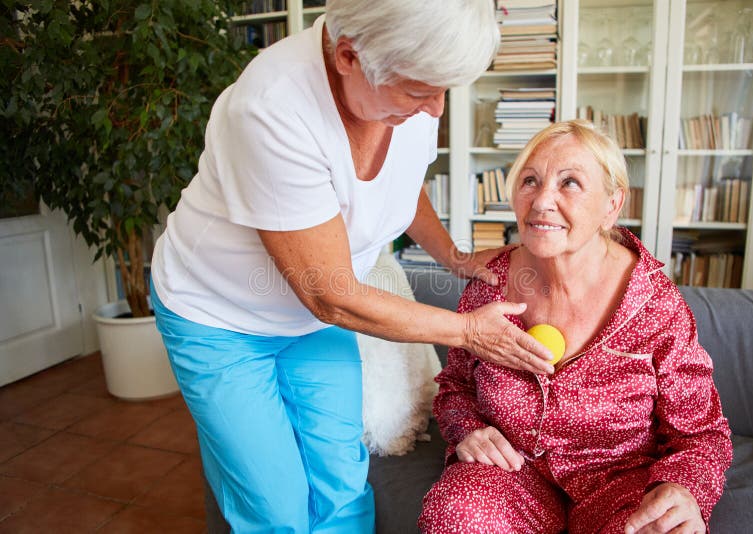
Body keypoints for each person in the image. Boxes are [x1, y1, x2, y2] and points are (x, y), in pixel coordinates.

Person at [149, 1, 556, 532]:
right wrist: (469, 333)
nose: (436, 109)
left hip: (314, 321)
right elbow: (331, 293)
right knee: (275, 508)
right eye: (420, 92)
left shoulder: (404, 94)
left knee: (340, 479)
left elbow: (403, 187)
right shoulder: (272, 107)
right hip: (219, 318)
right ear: (348, 56)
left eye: (444, 90)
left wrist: (455, 259)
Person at [418, 120, 733, 534]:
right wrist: (469, 431)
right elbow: (456, 386)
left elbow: (703, 433)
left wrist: (686, 488)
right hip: (514, 474)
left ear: (612, 205)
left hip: (623, 484)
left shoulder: (653, 303)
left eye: (570, 183)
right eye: (530, 180)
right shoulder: (490, 282)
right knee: (454, 514)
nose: (542, 201)